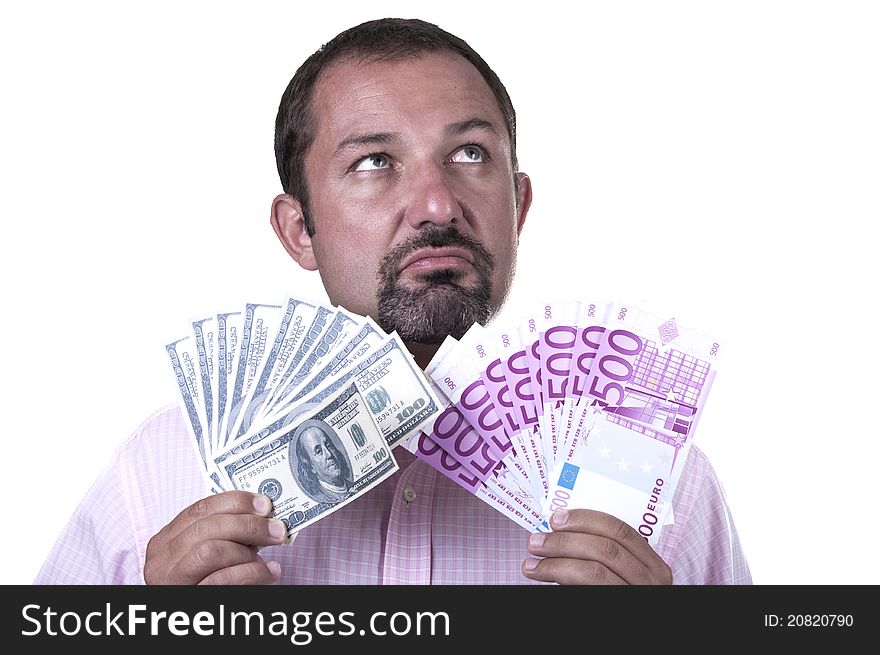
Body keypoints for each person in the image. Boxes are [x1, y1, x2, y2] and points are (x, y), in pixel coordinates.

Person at [34, 17, 751, 585]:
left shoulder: (663, 485)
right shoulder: (160, 471)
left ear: (518, 203)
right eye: (374, 162)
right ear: (298, 230)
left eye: (470, 154)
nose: (437, 202)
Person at [291, 421, 354, 504]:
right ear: (311, 466)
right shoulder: (319, 498)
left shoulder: (353, 485)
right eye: (319, 451)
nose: (329, 454)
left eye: (328, 445)